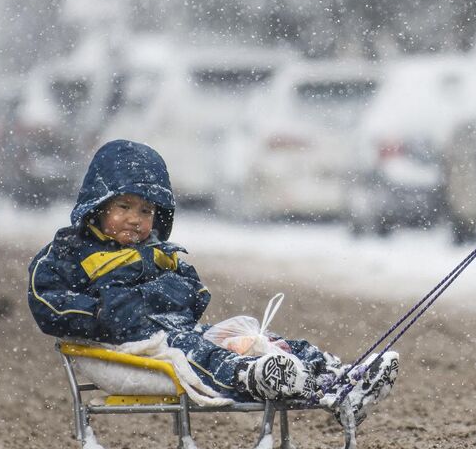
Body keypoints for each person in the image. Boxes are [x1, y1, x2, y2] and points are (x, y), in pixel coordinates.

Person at [26, 138, 399, 408]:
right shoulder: (69, 254)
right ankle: (252, 376)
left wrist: (153, 295)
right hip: (124, 350)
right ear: (98, 206)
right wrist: (111, 311)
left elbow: (194, 293)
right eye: (123, 206)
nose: (135, 220)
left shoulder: (158, 253)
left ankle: (334, 379)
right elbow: (50, 305)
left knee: (249, 336)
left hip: (175, 332)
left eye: (145, 211)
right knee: (199, 351)